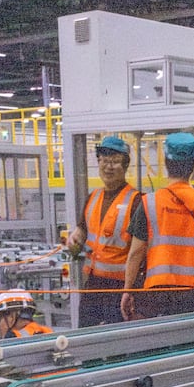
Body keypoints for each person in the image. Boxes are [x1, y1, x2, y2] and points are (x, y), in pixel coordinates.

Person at [121, 132, 194, 321]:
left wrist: (127, 290)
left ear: (166, 162)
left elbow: (135, 253)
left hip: (157, 291)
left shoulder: (149, 203)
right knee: (191, 347)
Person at [65, 135, 140, 327]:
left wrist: (130, 289)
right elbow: (83, 230)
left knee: (118, 344)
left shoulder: (136, 201)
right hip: (93, 283)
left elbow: (140, 249)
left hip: (120, 287)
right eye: (104, 161)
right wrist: (74, 239)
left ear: (125, 166)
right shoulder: (93, 197)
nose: (108, 167)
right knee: (87, 339)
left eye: (115, 162)